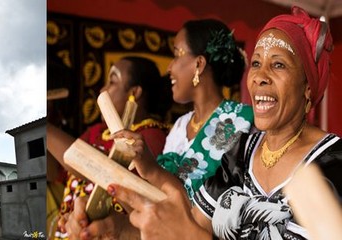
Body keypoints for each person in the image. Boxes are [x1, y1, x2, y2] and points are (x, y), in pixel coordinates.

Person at [110, 6, 342, 240]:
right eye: (256, 63)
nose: (260, 77)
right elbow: (189, 225)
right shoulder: (241, 152)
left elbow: (190, 235)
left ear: (307, 88)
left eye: (278, 64)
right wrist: (114, 229)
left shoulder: (332, 162)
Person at [64, 19, 255, 239]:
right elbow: (155, 210)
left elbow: (204, 216)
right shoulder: (180, 127)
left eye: (176, 55)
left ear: (199, 65)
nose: (169, 67)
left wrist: (151, 169)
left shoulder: (243, 122)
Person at [47, 56, 172, 239]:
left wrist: (44, 127)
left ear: (134, 92)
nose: (103, 89)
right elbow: (56, 170)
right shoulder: (97, 131)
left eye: (112, 81)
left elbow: (99, 168)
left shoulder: (151, 135)